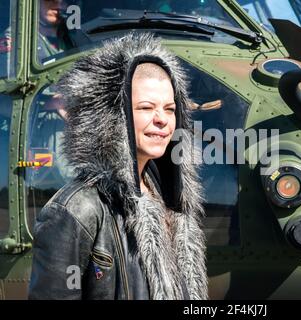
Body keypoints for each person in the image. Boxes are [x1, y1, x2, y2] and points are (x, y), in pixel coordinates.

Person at [28, 32, 208, 300]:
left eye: (170, 109)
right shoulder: (75, 210)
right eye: (147, 107)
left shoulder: (171, 200)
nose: (162, 120)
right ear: (111, 118)